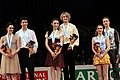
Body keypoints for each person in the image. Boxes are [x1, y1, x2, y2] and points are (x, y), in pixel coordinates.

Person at [59, 12, 79, 80]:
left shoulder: (73, 26)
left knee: (72, 64)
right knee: (64, 65)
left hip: (71, 46)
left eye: (66, 17)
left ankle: (72, 78)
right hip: (63, 46)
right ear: (62, 18)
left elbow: (76, 36)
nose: (65, 18)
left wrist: (72, 44)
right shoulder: (60, 27)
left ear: (68, 18)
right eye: (64, 17)